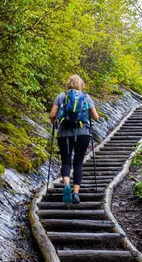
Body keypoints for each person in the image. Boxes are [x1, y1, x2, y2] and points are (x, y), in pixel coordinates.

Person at [49, 74, 99, 203]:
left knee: (66, 161)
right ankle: (75, 193)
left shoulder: (61, 96)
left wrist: (54, 121)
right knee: (78, 162)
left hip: (64, 134)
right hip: (83, 133)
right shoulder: (86, 97)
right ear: (81, 85)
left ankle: (66, 184)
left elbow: (52, 114)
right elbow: (95, 117)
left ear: (68, 84)